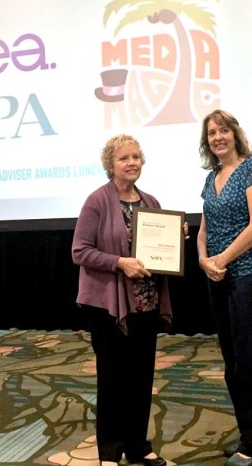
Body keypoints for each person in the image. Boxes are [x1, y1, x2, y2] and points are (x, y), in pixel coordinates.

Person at [72, 134, 188, 466]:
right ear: (110, 165)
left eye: (136, 156)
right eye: (124, 158)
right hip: (109, 307)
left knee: (141, 378)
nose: (132, 162)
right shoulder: (97, 201)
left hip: (146, 306)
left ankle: (138, 446)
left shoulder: (150, 202)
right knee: (112, 380)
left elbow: (158, 252)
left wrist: (175, 239)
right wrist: (119, 263)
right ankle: (109, 450)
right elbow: (79, 251)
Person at [197, 110, 252, 466]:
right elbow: (204, 227)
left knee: (250, 361)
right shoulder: (211, 177)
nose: (218, 137)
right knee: (232, 362)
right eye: (212, 133)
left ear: (235, 134)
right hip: (219, 276)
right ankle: (248, 436)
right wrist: (203, 259)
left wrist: (222, 259)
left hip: (250, 275)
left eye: (223, 130)